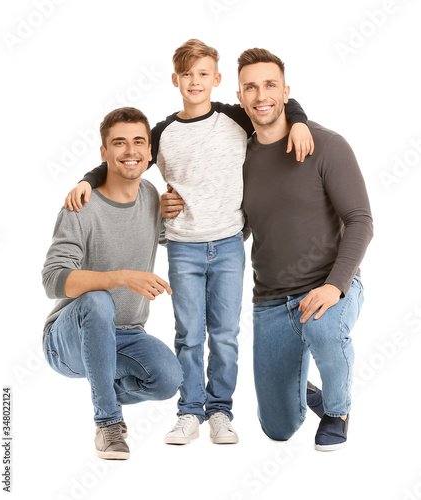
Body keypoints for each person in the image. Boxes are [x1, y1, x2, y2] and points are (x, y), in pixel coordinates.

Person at [63, 39, 316, 446]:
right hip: (183, 247)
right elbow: (125, 159)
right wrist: (85, 180)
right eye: (187, 75)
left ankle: (220, 411)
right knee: (190, 334)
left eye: (203, 74)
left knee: (226, 333)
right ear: (175, 80)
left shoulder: (237, 118)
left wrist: (300, 121)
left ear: (217, 80)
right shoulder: (163, 133)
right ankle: (189, 412)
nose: (195, 82)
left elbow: (277, 109)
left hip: (230, 244)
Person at [235, 48, 374, 451]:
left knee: (322, 328)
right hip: (271, 301)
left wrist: (336, 286)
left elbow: (362, 221)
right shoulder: (239, 157)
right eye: (251, 87)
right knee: (277, 428)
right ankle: (307, 389)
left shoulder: (327, 145)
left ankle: (337, 408)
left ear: (286, 91)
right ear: (241, 97)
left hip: (329, 286)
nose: (261, 95)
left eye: (270, 85)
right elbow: (240, 226)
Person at [42, 107, 183, 460]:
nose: (130, 151)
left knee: (169, 379)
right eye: (119, 143)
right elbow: (53, 280)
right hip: (66, 339)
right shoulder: (81, 206)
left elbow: (176, 236)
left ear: (149, 153)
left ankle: (102, 381)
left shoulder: (151, 196)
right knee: (98, 300)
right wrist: (119, 277)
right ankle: (108, 423)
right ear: (104, 153)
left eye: (139, 142)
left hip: (128, 333)